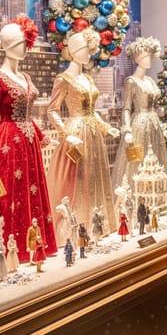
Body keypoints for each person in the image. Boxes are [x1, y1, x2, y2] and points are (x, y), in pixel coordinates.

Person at [0, 16, 57, 262]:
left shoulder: (26, 78)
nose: (25, 48)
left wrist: (44, 138)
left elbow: (28, 117)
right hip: (7, 143)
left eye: (26, 43)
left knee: (30, 193)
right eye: (21, 43)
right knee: (6, 196)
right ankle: (7, 251)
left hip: (28, 146)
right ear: (8, 45)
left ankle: (34, 247)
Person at [47, 29, 120, 236]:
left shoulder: (87, 79)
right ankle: (78, 227)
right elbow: (52, 110)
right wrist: (64, 134)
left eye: (90, 50)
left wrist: (106, 127)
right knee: (78, 179)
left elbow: (92, 111)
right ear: (76, 50)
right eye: (86, 50)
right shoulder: (63, 79)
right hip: (76, 132)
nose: (89, 54)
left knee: (94, 176)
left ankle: (98, 225)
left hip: (93, 134)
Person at [111, 37, 167, 191]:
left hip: (153, 122)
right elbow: (126, 108)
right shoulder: (131, 81)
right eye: (145, 57)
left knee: (155, 157)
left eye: (150, 56)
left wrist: (162, 127)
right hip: (138, 124)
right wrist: (127, 129)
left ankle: (155, 194)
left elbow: (156, 107)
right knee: (137, 158)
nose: (148, 60)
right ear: (137, 58)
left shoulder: (150, 80)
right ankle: (134, 195)